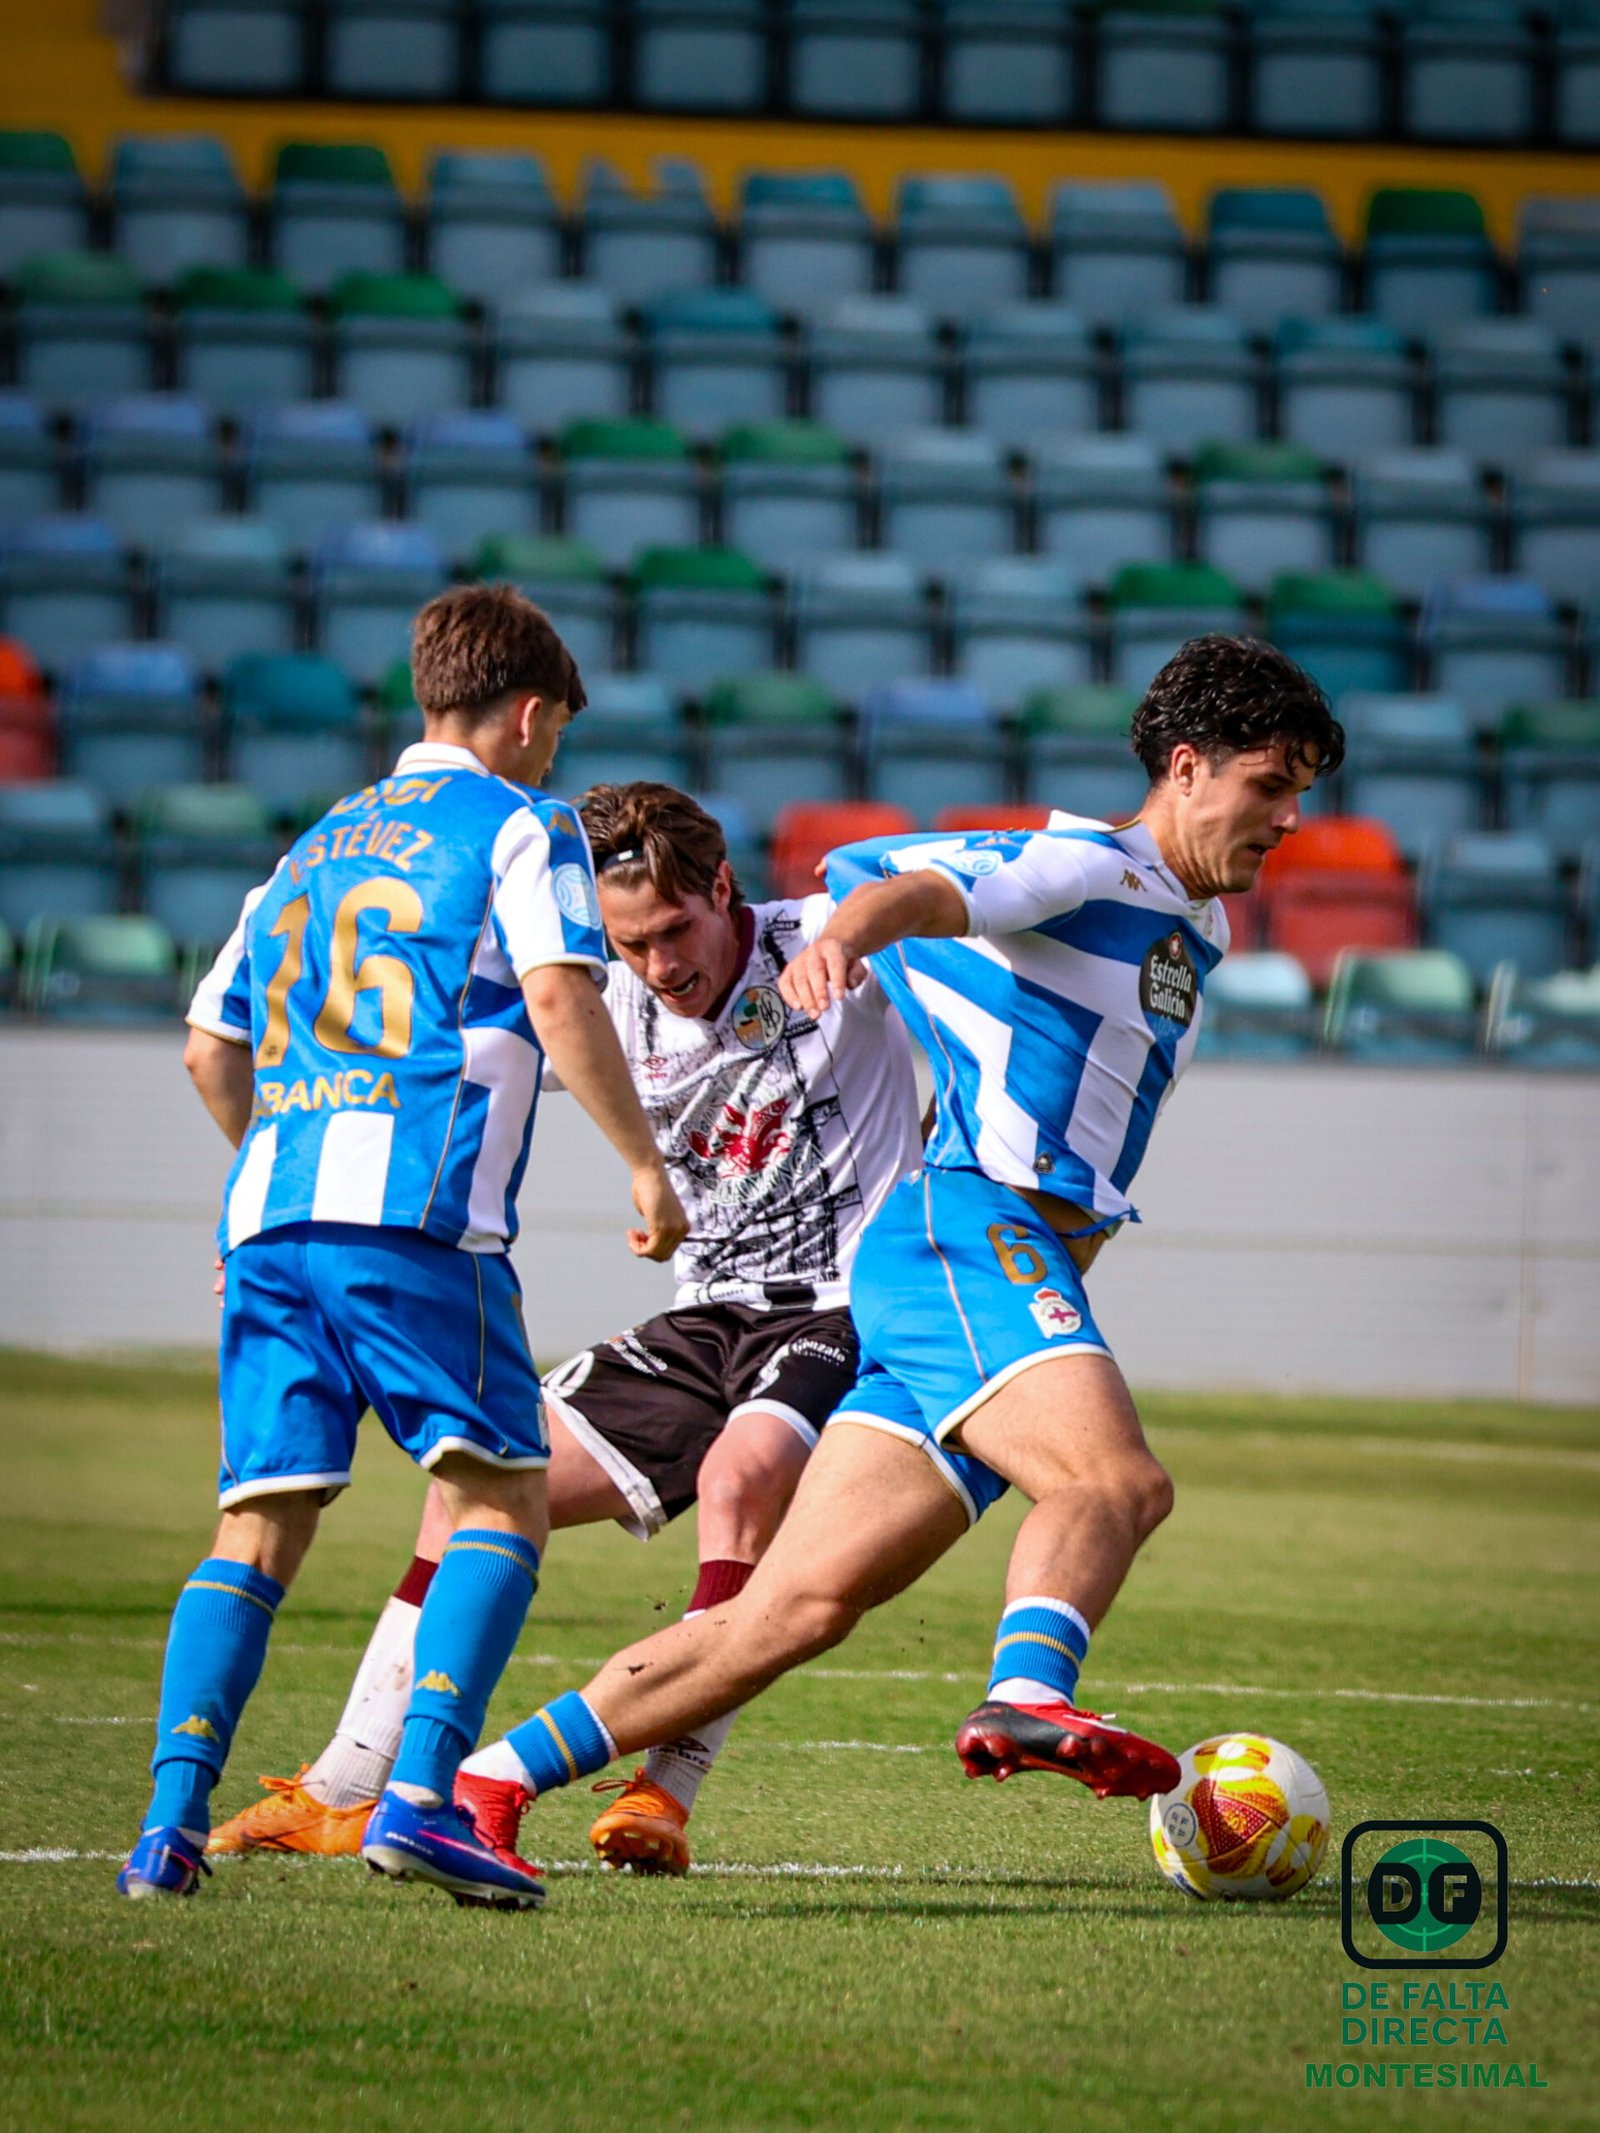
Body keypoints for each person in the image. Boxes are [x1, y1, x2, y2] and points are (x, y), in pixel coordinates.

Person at [438, 635, 1346, 1877]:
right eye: (1270, 783)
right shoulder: (1090, 862)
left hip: (983, 1273)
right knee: (1116, 1484)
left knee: (788, 1613)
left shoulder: (1197, 920)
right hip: (968, 1232)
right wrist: (846, 939)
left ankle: (482, 1787)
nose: (1291, 816)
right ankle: (1027, 1690)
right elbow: (905, 883)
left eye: (1301, 790)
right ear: (1186, 768)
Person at [204, 782, 923, 1876]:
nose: (658, 964)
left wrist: (861, 939)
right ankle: (345, 1785)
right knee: (479, 1487)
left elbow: (953, 914)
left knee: (744, 1475)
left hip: (842, 1306)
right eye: (629, 942)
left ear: (723, 888)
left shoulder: (820, 947)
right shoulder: (597, 996)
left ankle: (666, 1788)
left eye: (676, 930)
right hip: (705, 1313)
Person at [117, 587, 687, 1908]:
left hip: (270, 1218)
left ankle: (165, 1827)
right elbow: (557, 995)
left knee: (255, 1528)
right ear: (529, 714)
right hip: (418, 1225)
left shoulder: (309, 846)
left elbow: (212, 1046)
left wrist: (278, 1166)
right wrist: (644, 1166)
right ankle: (420, 1801)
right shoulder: (518, 821)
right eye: (554, 737)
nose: (554, 762)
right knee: (505, 1495)